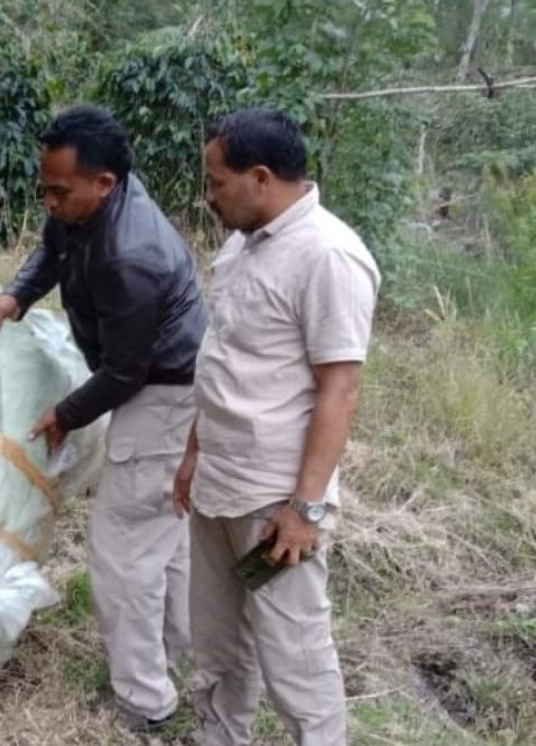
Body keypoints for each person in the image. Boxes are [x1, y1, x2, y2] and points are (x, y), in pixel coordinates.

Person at [0, 106, 206, 732]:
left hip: (164, 395)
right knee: (166, 539)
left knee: (124, 555)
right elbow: (51, 249)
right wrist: (18, 293)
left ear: (104, 184)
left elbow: (124, 373)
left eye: (60, 192)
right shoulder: (81, 206)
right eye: (45, 189)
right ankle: (190, 655)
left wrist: (63, 414)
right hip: (162, 385)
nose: (50, 202)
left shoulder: (129, 255)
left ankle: (145, 699)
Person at [173, 108, 380, 746]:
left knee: (294, 657)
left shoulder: (329, 256)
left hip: (275, 502)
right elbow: (226, 358)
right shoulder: (240, 245)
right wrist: (193, 452)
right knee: (217, 644)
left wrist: (304, 509)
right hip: (218, 482)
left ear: (260, 177)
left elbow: (339, 389)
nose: (209, 197)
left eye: (216, 182)